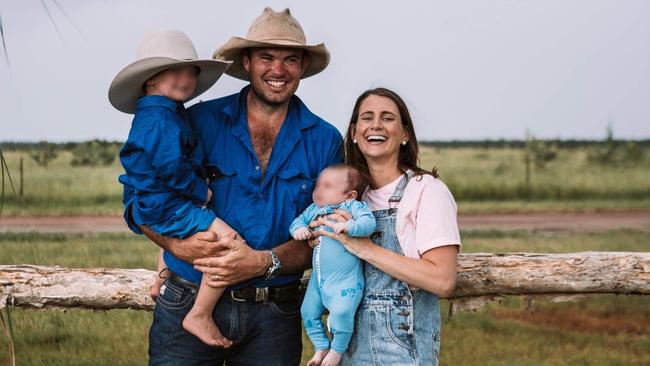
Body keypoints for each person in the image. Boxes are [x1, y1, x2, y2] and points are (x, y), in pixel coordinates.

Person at [122, 8, 343, 365]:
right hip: (186, 298)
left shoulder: (325, 140)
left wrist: (261, 262)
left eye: (290, 59)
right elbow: (138, 199)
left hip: (274, 314)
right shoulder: (197, 120)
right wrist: (175, 247)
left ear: (302, 67)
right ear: (247, 61)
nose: (278, 69)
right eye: (266, 57)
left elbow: (329, 238)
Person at [313, 88, 461, 365]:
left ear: (405, 133)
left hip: (402, 353)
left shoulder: (426, 191)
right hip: (344, 351)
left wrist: (364, 248)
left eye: (388, 118)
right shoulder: (348, 199)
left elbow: (443, 280)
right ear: (355, 133)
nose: (376, 125)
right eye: (367, 118)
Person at [109, 29, 235, 348]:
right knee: (229, 242)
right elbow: (170, 167)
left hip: (161, 201)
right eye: (174, 71)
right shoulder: (159, 120)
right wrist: (199, 190)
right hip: (170, 202)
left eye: (189, 72)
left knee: (179, 229)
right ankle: (200, 313)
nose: (185, 79)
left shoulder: (164, 111)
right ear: (150, 78)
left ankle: (161, 278)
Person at [289, 164, 375, 366]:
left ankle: (337, 350)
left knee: (342, 312)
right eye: (318, 184)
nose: (318, 190)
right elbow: (297, 221)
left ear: (349, 195)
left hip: (345, 280)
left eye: (327, 185)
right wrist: (299, 229)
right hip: (318, 281)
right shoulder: (314, 210)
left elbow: (368, 223)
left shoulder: (353, 208)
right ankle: (321, 346)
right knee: (308, 312)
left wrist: (349, 226)